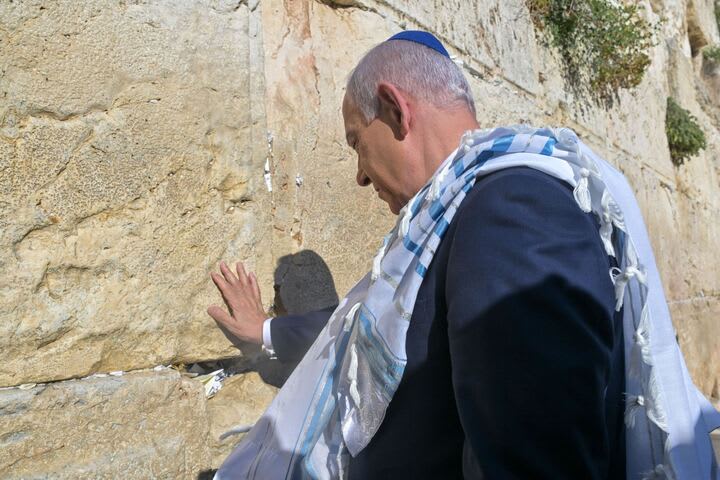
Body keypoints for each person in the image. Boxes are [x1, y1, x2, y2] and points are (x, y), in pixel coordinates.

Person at [208, 31, 720, 479]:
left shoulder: (510, 212)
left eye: (356, 142)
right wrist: (266, 334)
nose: (360, 175)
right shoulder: (463, 217)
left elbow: (535, 459)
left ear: (395, 108)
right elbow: (369, 325)